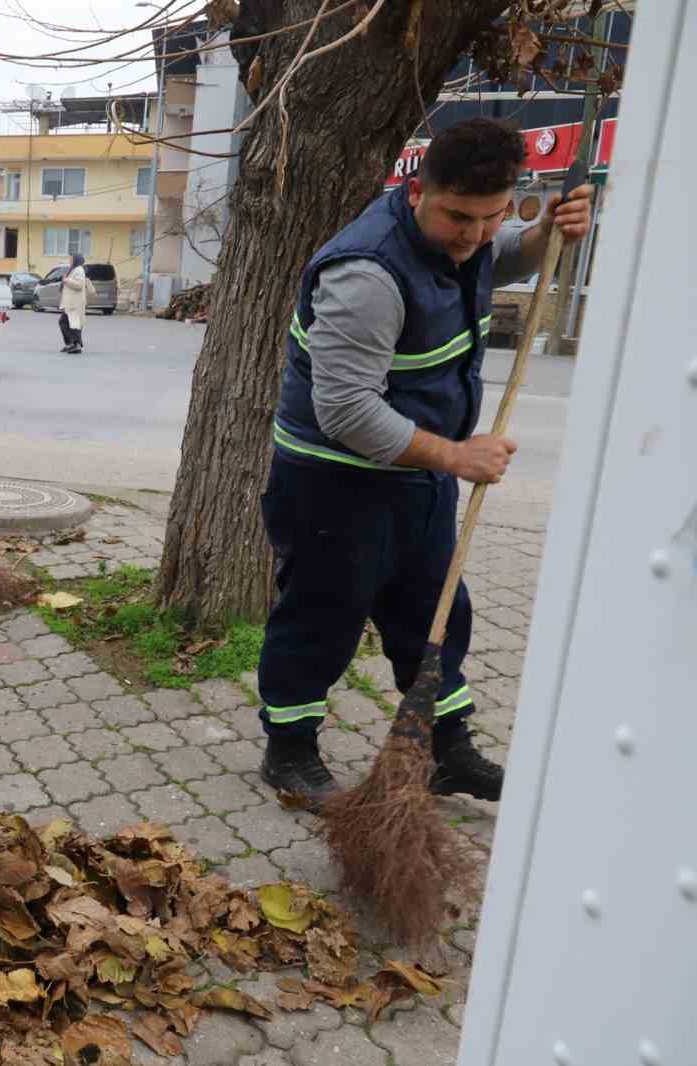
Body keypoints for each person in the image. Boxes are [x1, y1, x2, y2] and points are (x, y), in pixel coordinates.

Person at [257, 118, 595, 808]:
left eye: (492, 215)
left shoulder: (463, 241)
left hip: (418, 476)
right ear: (417, 191)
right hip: (334, 479)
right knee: (323, 616)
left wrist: (544, 236)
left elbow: (499, 258)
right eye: (458, 216)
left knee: (435, 611)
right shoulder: (368, 274)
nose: (472, 234)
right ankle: (289, 749)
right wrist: (456, 456)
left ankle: (447, 749)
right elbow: (346, 410)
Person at [58, 253, 96, 354]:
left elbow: (79, 285)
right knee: (65, 322)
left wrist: (66, 280)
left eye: (71, 258)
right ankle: (71, 344)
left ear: (76, 260)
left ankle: (76, 345)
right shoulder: (74, 269)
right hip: (70, 303)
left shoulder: (79, 270)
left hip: (75, 303)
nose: (69, 260)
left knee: (73, 323)